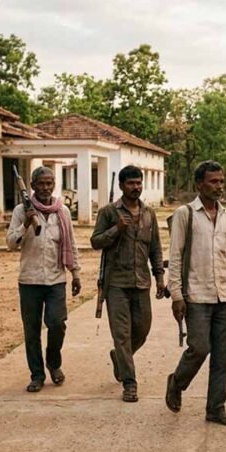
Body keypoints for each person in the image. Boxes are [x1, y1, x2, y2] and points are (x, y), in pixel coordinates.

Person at [164, 161, 226, 427]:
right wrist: (176, 294)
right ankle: (177, 382)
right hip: (196, 295)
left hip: (222, 296)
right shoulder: (185, 214)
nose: (219, 186)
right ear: (199, 185)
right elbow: (175, 256)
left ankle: (216, 409)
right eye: (213, 181)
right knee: (199, 348)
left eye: (221, 181)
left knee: (223, 357)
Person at [91, 165, 165, 403]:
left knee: (142, 330)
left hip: (142, 282)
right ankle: (130, 383)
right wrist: (116, 229)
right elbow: (95, 242)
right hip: (116, 284)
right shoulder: (108, 212)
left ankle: (120, 358)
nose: (136, 187)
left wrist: (160, 277)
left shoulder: (149, 213)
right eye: (131, 183)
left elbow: (155, 248)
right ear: (122, 185)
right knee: (122, 335)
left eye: (138, 183)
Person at [6, 166, 81, 393]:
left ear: (54, 184)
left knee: (57, 324)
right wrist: (26, 224)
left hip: (56, 279)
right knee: (32, 331)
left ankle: (53, 363)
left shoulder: (62, 211)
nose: (46, 188)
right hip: (29, 280)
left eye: (49, 183)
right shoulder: (21, 210)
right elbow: (10, 243)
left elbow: (71, 244)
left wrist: (75, 273)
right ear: (32, 186)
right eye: (41, 183)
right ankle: (37, 375)